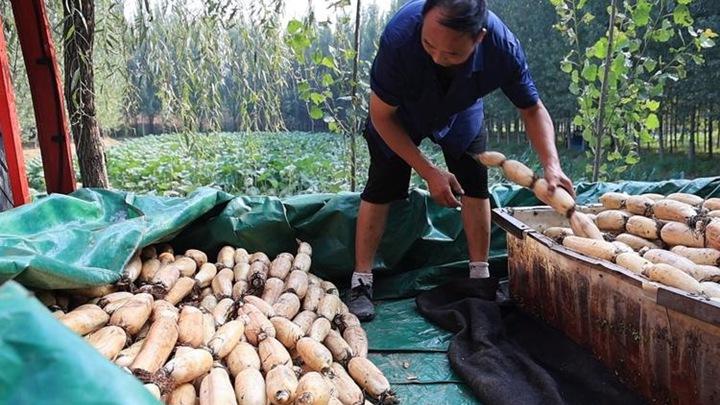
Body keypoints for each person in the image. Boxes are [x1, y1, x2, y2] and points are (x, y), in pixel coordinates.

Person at [346, 0, 576, 321]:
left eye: (453, 53)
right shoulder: (399, 37)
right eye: (428, 44)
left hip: (460, 109)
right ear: (422, 20)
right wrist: (428, 171)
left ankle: (479, 276)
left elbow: (532, 109)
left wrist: (552, 165)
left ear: (479, 38)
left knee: (475, 183)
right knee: (381, 185)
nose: (438, 57)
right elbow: (382, 117)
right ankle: (361, 280)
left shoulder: (502, 48)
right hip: (401, 115)